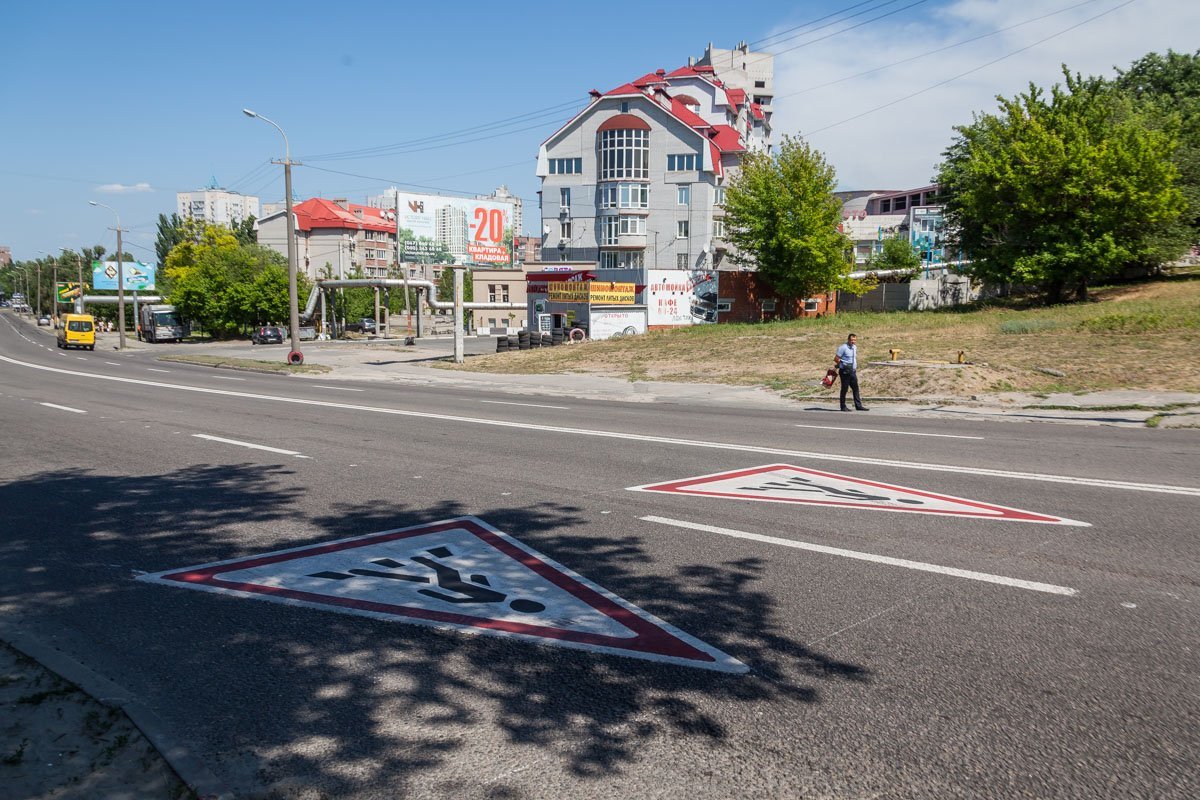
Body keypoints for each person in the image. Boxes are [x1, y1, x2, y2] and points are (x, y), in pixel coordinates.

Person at [835, 333, 869, 412]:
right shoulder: (843, 347)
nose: (853, 342)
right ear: (848, 340)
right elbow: (836, 359)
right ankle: (843, 406)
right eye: (851, 340)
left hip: (852, 371)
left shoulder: (854, 347)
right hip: (845, 371)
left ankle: (858, 405)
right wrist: (843, 365)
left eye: (854, 340)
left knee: (855, 388)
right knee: (844, 389)